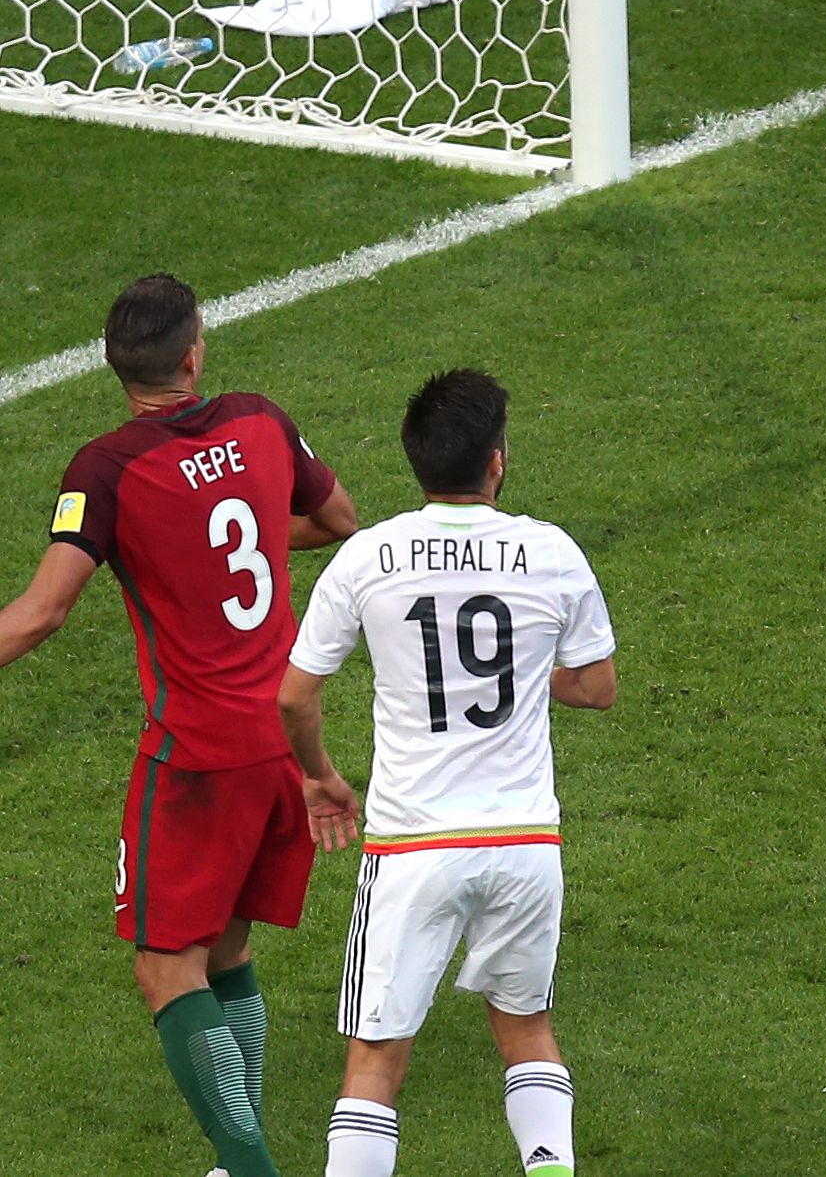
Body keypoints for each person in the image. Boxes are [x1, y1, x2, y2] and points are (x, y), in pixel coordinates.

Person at [0, 273, 356, 1177]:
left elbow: (41, 614)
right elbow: (336, 519)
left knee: (165, 970)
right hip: (285, 741)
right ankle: (243, 1164)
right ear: (193, 354)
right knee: (225, 951)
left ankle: (254, 1172)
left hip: (195, 760)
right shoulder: (260, 419)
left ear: (114, 368)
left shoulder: (108, 468)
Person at [280, 369, 618, 1177]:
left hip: (411, 848)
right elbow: (597, 688)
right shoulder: (551, 551)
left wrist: (319, 776)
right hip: (524, 843)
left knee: (375, 1064)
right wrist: (524, 666)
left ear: (416, 463)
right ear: (496, 461)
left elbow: (295, 697)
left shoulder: (368, 557)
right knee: (526, 1028)